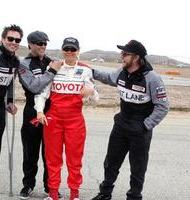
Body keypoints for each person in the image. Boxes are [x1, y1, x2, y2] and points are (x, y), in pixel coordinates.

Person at [0, 25, 61, 200]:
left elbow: (8, 83)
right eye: (10, 39)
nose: (14, 42)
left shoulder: (15, 61)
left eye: (17, 40)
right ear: (3, 39)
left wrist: (9, 102)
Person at [91, 40, 169, 200]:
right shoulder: (121, 72)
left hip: (140, 129)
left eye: (125, 54)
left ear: (136, 57)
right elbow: (107, 77)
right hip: (121, 125)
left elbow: (162, 106)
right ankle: (105, 194)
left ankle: (134, 196)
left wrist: (146, 125)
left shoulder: (152, 79)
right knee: (111, 163)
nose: (121, 56)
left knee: (138, 168)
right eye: (122, 53)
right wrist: (89, 71)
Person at [34, 37, 99, 200]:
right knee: (52, 159)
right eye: (66, 49)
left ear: (78, 51)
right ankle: (53, 194)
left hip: (75, 121)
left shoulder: (85, 70)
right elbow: (42, 93)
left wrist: (91, 93)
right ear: (62, 50)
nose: (69, 52)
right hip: (53, 119)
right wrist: (40, 112)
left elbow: (95, 100)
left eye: (73, 49)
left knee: (74, 160)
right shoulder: (54, 67)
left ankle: (74, 194)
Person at [19, 30, 62, 199]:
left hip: (51, 112)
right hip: (32, 111)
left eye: (45, 43)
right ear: (30, 44)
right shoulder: (24, 64)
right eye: (39, 43)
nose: (43, 46)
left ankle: (49, 187)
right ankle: (28, 185)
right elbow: (34, 86)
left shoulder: (53, 62)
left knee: (50, 154)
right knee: (30, 152)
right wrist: (51, 72)